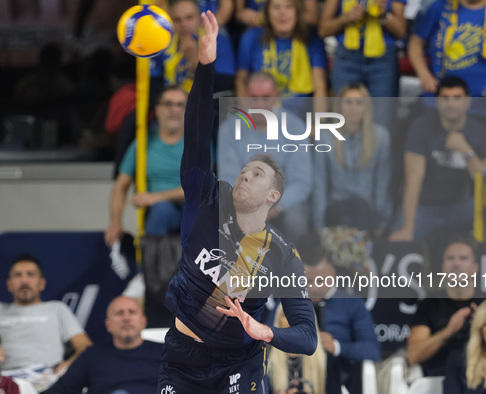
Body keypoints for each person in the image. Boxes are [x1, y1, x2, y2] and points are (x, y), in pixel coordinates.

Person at [157, 11, 317, 394]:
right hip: (183, 359)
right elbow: (196, 130)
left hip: (239, 362)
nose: (244, 175)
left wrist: (265, 330)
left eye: (257, 174)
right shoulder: (205, 198)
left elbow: (307, 337)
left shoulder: (282, 254)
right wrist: (206, 64)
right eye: (244, 169)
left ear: (274, 196)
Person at [389, 77, 486, 241]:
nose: (451, 103)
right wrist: (408, 228)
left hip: (460, 207)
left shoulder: (480, 133)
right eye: (445, 98)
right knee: (397, 241)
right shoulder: (421, 127)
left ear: (467, 102)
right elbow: (413, 181)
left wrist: (466, 151)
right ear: (437, 102)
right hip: (423, 208)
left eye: (457, 98)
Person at [217, 71, 313, 243]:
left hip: (284, 203)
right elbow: (229, 178)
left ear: (276, 96)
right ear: (246, 96)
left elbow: (301, 181)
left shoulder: (295, 127)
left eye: (266, 97)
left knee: (296, 219)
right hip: (244, 201)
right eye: (254, 97)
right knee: (222, 215)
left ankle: (296, 268)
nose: (260, 104)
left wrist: (273, 206)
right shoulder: (229, 129)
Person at [0, 254, 92, 383]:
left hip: (48, 379)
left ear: (42, 283)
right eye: (18, 275)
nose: (24, 281)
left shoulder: (57, 309)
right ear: (9, 284)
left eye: (30, 274)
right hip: (2, 381)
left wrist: (66, 366)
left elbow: (85, 347)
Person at [104, 86, 188, 244]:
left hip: (190, 209)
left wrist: (155, 197)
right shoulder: (142, 144)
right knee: (161, 210)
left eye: (180, 104)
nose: (174, 110)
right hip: (158, 212)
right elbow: (120, 186)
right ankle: (151, 266)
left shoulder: (198, 144)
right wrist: (115, 223)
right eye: (168, 104)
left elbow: (199, 188)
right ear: (157, 109)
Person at [312, 82, 391, 236]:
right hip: (335, 208)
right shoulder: (325, 136)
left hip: (366, 211)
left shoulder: (381, 137)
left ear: (366, 107)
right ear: (339, 106)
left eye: (359, 103)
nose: (353, 108)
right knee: (351, 213)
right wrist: (319, 226)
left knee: (360, 208)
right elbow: (319, 185)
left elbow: (382, 183)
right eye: (347, 102)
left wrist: (382, 223)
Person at [41, 296, 162, 394]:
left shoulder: (167, 353)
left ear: (143, 322)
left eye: (132, 312)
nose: (126, 318)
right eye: (119, 313)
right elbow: (61, 390)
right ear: (108, 325)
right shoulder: (92, 356)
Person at [302, 245, 380, 394]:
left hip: (338, 380)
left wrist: (336, 347)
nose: (312, 288)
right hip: (295, 378)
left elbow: (372, 350)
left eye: (319, 281)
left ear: (333, 274)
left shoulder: (352, 304)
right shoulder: (287, 303)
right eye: (307, 281)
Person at [406, 236, 484, 377]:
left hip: (482, 379)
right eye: (450, 258)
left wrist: (484, 327)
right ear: (442, 267)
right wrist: (448, 332)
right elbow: (413, 355)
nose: (456, 264)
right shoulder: (429, 304)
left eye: (463, 258)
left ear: (475, 268)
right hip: (436, 380)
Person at [235, 0, 327, 115]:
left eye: (289, 7)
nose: (282, 13)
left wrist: (318, 123)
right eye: (276, 7)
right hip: (261, 117)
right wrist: (248, 117)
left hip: (300, 121)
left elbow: (320, 88)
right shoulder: (251, 37)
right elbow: (241, 81)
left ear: (298, 13)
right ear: (267, 13)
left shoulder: (312, 40)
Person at [319, 0, 406, 101]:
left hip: (382, 60)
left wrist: (384, 14)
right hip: (347, 57)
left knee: (382, 115)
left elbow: (401, 31)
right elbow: (323, 30)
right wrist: (346, 18)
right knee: (344, 113)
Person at [150, 0, 236, 95]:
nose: (184, 24)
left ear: (200, 18)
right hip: (173, 104)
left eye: (189, 17)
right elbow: (153, 89)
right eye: (177, 20)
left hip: (206, 105)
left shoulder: (218, 41)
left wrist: (195, 60)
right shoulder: (162, 44)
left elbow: (223, 88)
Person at [267, 304, 326, 394]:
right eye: (286, 315)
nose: (292, 321)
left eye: (299, 316)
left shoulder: (325, 358)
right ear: (277, 320)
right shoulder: (265, 359)